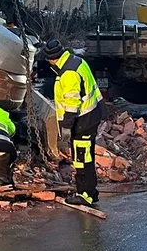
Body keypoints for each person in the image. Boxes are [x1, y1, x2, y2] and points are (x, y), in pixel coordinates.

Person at [39, 39, 106, 207]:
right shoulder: (76, 61)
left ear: (52, 58)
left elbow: (71, 102)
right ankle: (89, 192)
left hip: (82, 120)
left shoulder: (68, 73)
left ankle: (86, 195)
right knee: (85, 156)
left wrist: (67, 127)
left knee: (82, 159)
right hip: (91, 115)